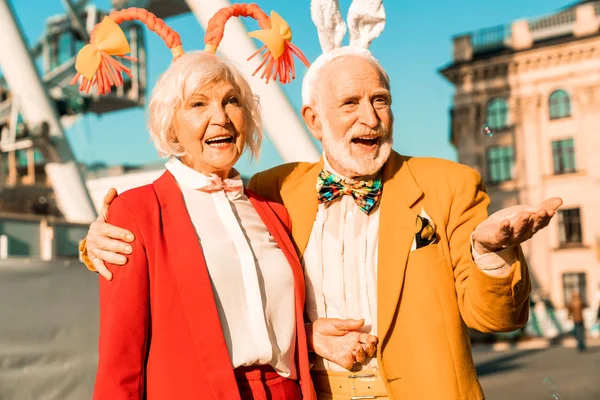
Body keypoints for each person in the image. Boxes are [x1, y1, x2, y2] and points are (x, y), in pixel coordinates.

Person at [80, 1, 563, 398]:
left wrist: (490, 252)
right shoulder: (279, 190)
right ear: (312, 120)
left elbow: (496, 317)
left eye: (380, 100)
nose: (369, 119)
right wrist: (96, 241)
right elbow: (128, 345)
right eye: (350, 104)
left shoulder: (446, 185)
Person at [72, 5, 335, 399]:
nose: (221, 118)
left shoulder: (273, 209)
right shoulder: (135, 213)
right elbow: (120, 361)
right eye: (198, 104)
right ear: (170, 126)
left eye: (231, 101)